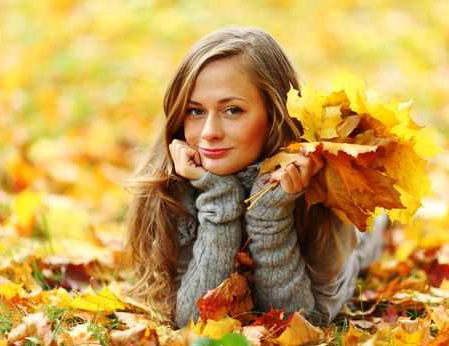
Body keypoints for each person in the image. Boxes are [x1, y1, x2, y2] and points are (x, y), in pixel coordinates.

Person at [125, 26, 386, 328]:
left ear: (274, 115)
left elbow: (303, 324)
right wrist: (218, 200)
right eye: (195, 111)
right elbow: (192, 322)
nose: (209, 132)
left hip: (357, 241)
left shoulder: (320, 188)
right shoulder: (171, 189)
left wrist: (271, 218)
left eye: (233, 110)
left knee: (370, 235)